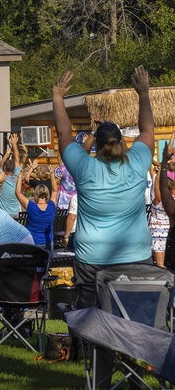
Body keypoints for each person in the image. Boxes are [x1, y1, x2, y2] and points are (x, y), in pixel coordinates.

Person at [53, 67, 154, 311]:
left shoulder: (84, 167)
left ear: (95, 146)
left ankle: (98, 350)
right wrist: (143, 94)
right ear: (121, 142)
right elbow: (148, 130)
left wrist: (58, 97)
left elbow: (64, 134)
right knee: (136, 318)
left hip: (93, 260)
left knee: (93, 319)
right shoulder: (138, 163)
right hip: (136, 256)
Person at [15, 163, 58, 249]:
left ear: (36, 194)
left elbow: (18, 193)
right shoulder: (51, 206)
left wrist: (20, 177)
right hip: (48, 242)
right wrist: (52, 175)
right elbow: (55, 191)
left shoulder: (31, 207)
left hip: (33, 243)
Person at [153, 132, 175, 270]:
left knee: (162, 268)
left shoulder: (163, 191)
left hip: (161, 228)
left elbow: (161, 188)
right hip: (162, 227)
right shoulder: (164, 194)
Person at [0, 134, 24, 217]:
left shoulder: (2, 178)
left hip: (4, 216)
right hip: (16, 215)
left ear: (4, 168)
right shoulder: (17, 177)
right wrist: (14, 144)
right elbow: (17, 159)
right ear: (14, 169)